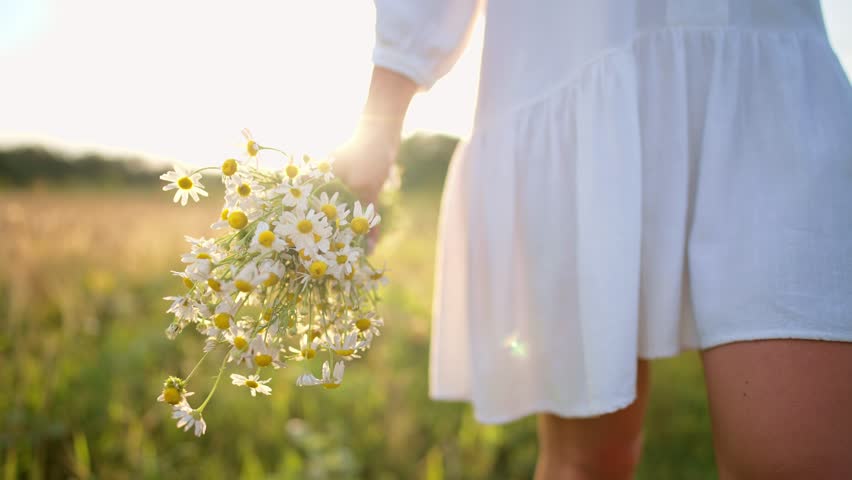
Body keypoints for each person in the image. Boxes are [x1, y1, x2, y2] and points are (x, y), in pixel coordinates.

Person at [333, 1, 852, 478]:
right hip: (568, 72)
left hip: (769, 75)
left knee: (797, 461)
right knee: (588, 462)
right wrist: (382, 113)